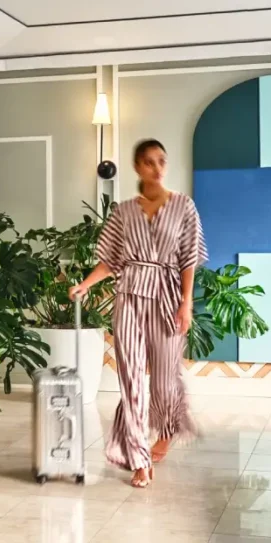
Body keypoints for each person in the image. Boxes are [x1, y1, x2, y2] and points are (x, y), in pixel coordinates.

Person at [70, 139, 207, 488]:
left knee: (164, 379)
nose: (157, 168)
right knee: (131, 379)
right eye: (149, 162)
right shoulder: (124, 212)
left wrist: (186, 302)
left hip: (166, 296)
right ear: (137, 167)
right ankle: (139, 458)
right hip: (129, 296)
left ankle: (167, 430)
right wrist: (85, 285)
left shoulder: (183, 207)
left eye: (162, 160)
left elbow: (189, 259)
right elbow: (110, 260)